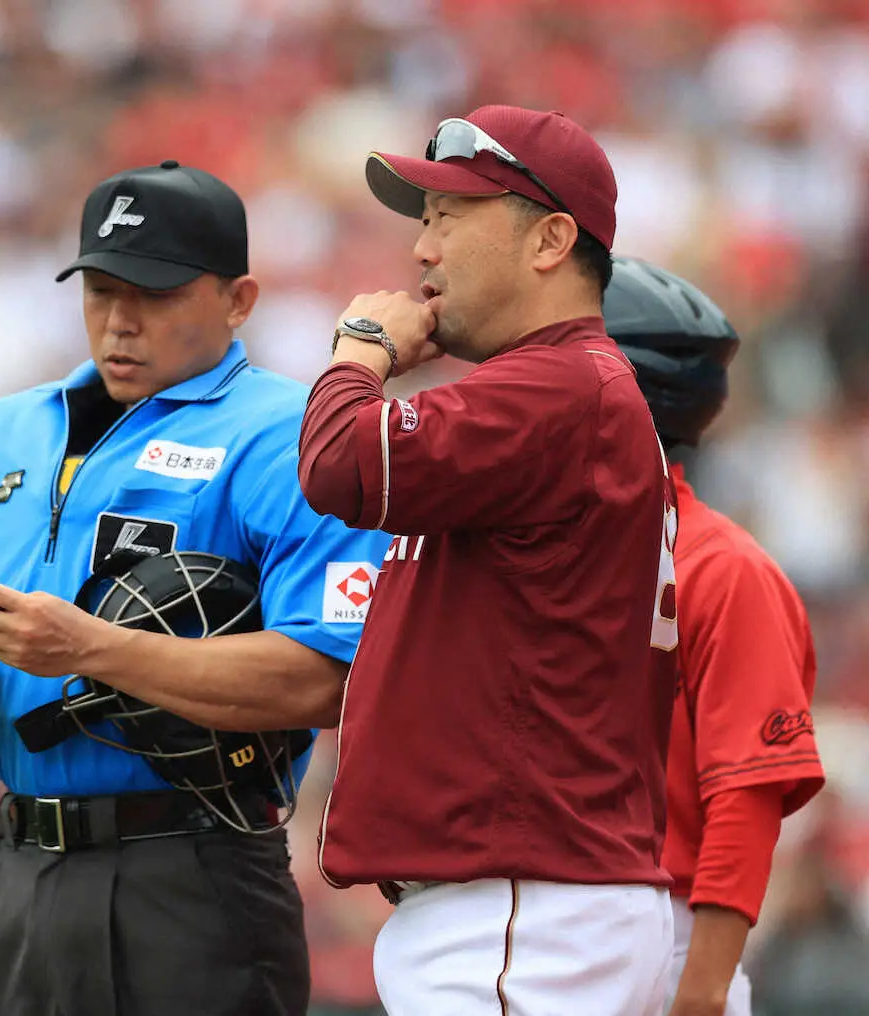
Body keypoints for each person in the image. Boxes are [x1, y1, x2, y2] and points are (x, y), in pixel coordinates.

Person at [0, 160, 391, 1016]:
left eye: (155, 295)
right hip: (17, 867)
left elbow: (331, 681)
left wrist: (91, 648)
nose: (120, 322)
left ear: (239, 300)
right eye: (101, 290)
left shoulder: (294, 438)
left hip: (191, 871)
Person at [296, 105, 679, 1016]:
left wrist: (361, 353)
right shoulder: (565, 386)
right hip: (528, 901)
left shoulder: (558, 383)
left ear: (550, 240)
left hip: (519, 904)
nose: (421, 252)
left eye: (449, 219)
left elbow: (340, 462)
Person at [603, 257, 826, 1016]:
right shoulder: (519, 551)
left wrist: (698, 993)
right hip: (535, 927)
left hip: (666, 937)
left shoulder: (721, 566)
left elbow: (748, 792)